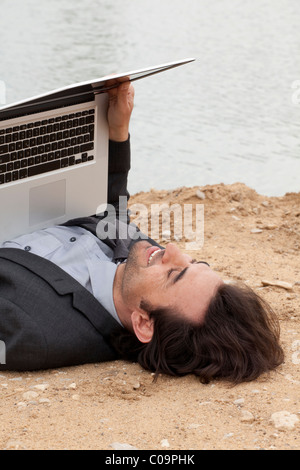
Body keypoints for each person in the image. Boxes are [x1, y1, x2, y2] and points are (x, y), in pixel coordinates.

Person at [0, 82, 284, 384]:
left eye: (175, 274)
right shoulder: (141, 264)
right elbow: (112, 216)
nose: (173, 250)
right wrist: (117, 132)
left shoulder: (34, 333)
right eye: (193, 262)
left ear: (144, 323)